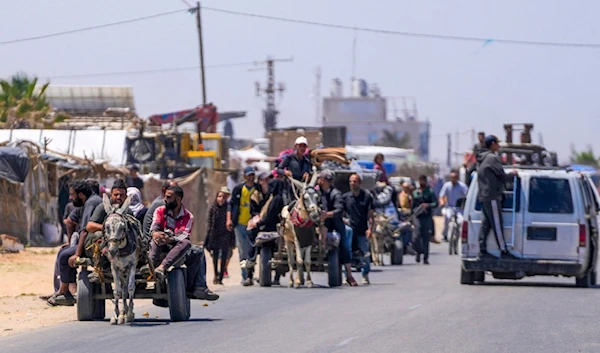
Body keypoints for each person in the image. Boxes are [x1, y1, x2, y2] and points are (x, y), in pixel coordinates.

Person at [141, 179, 218, 301]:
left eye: (169, 197)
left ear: (178, 199)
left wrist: (170, 239)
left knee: (187, 243)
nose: (165, 199)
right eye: (166, 196)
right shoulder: (160, 207)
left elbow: (184, 234)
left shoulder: (188, 216)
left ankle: (166, 270)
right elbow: (154, 226)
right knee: (197, 251)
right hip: (155, 242)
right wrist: (157, 234)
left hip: (173, 243)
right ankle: (197, 287)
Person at [47, 180, 102, 306]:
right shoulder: (90, 202)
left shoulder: (91, 203)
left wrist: (77, 253)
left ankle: (65, 291)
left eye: (72, 194)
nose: (70, 198)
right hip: (91, 242)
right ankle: (67, 288)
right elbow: (70, 221)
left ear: (81, 194)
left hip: (93, 245)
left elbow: (84, 231)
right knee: (65, 251)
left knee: (64, 256)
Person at [476, 135, 518, 259]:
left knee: (486, 224)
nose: (499, 146)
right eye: (497, 143)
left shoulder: (482, 158)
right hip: (492, 195)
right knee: (497, 224)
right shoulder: (492, 158)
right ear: (492, 144)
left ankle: (482, 250)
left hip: (484, 195)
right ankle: (503, 251)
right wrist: (513, 174)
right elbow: (502, 175)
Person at [318, 170, 357, 286]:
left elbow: (339, 209)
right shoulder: (316, 192)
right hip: (317, 223)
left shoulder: (336, 194)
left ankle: (349, 274)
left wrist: (327, 215)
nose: (323, 181)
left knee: (344, 246)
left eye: (325, 180)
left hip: (334, 223)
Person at [227, 166, 258, 286]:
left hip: (253, 224)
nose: (251, 178)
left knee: (252, 251)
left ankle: (251, 274)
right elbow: (231, 205)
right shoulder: (239, 189)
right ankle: (245, 276)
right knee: (242, 251)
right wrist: (229, 220)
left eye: (252, 175)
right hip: (239, 224)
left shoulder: (257, 188)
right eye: (249, 175)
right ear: (244, 176)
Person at [342, 173, 374, 285]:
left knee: (365, 254)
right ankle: (346, 276)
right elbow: (342, 213)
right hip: (349, 231)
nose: (352, 183)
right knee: (347, 253)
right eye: (350, 181)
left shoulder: (367, 196)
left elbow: (370, 214)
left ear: (359, 183)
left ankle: (365, 275)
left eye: (354, 181)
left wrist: (370, 229)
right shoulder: (345, 197)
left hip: (362, 230)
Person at [205, 187, 235, 285]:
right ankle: (215, 275)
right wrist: (208, 237)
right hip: (215, 235)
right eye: (219, 196)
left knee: (224, 256)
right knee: (215, 256)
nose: (221, 199)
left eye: (223, 197)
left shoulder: (228, 208)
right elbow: (209, 223)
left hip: (226, 235)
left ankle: (221, 277)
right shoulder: (213, 208)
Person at [412, 175, 437, 265]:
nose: (421, 183)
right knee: (416, 237)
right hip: (417, 217)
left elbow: (435, 203)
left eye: (423, 181)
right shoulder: (415, 192)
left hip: (426, 217)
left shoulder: (429, 192)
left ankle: (425, 258)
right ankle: (418, 252)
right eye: (420, 181)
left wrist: (428, 205)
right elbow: (413, 206)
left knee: (426, 238)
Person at [439, 171, 468, 242]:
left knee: (461, 221)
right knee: (447, 217)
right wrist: (442, 202)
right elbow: (441, 196)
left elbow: (467, 195)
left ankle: (461, 237)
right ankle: (445, 235)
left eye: (454, 178)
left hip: (459, 208)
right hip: (450, 207)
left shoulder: (462, 186)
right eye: (452, 178)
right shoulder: (447, 185)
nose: (453, 180)